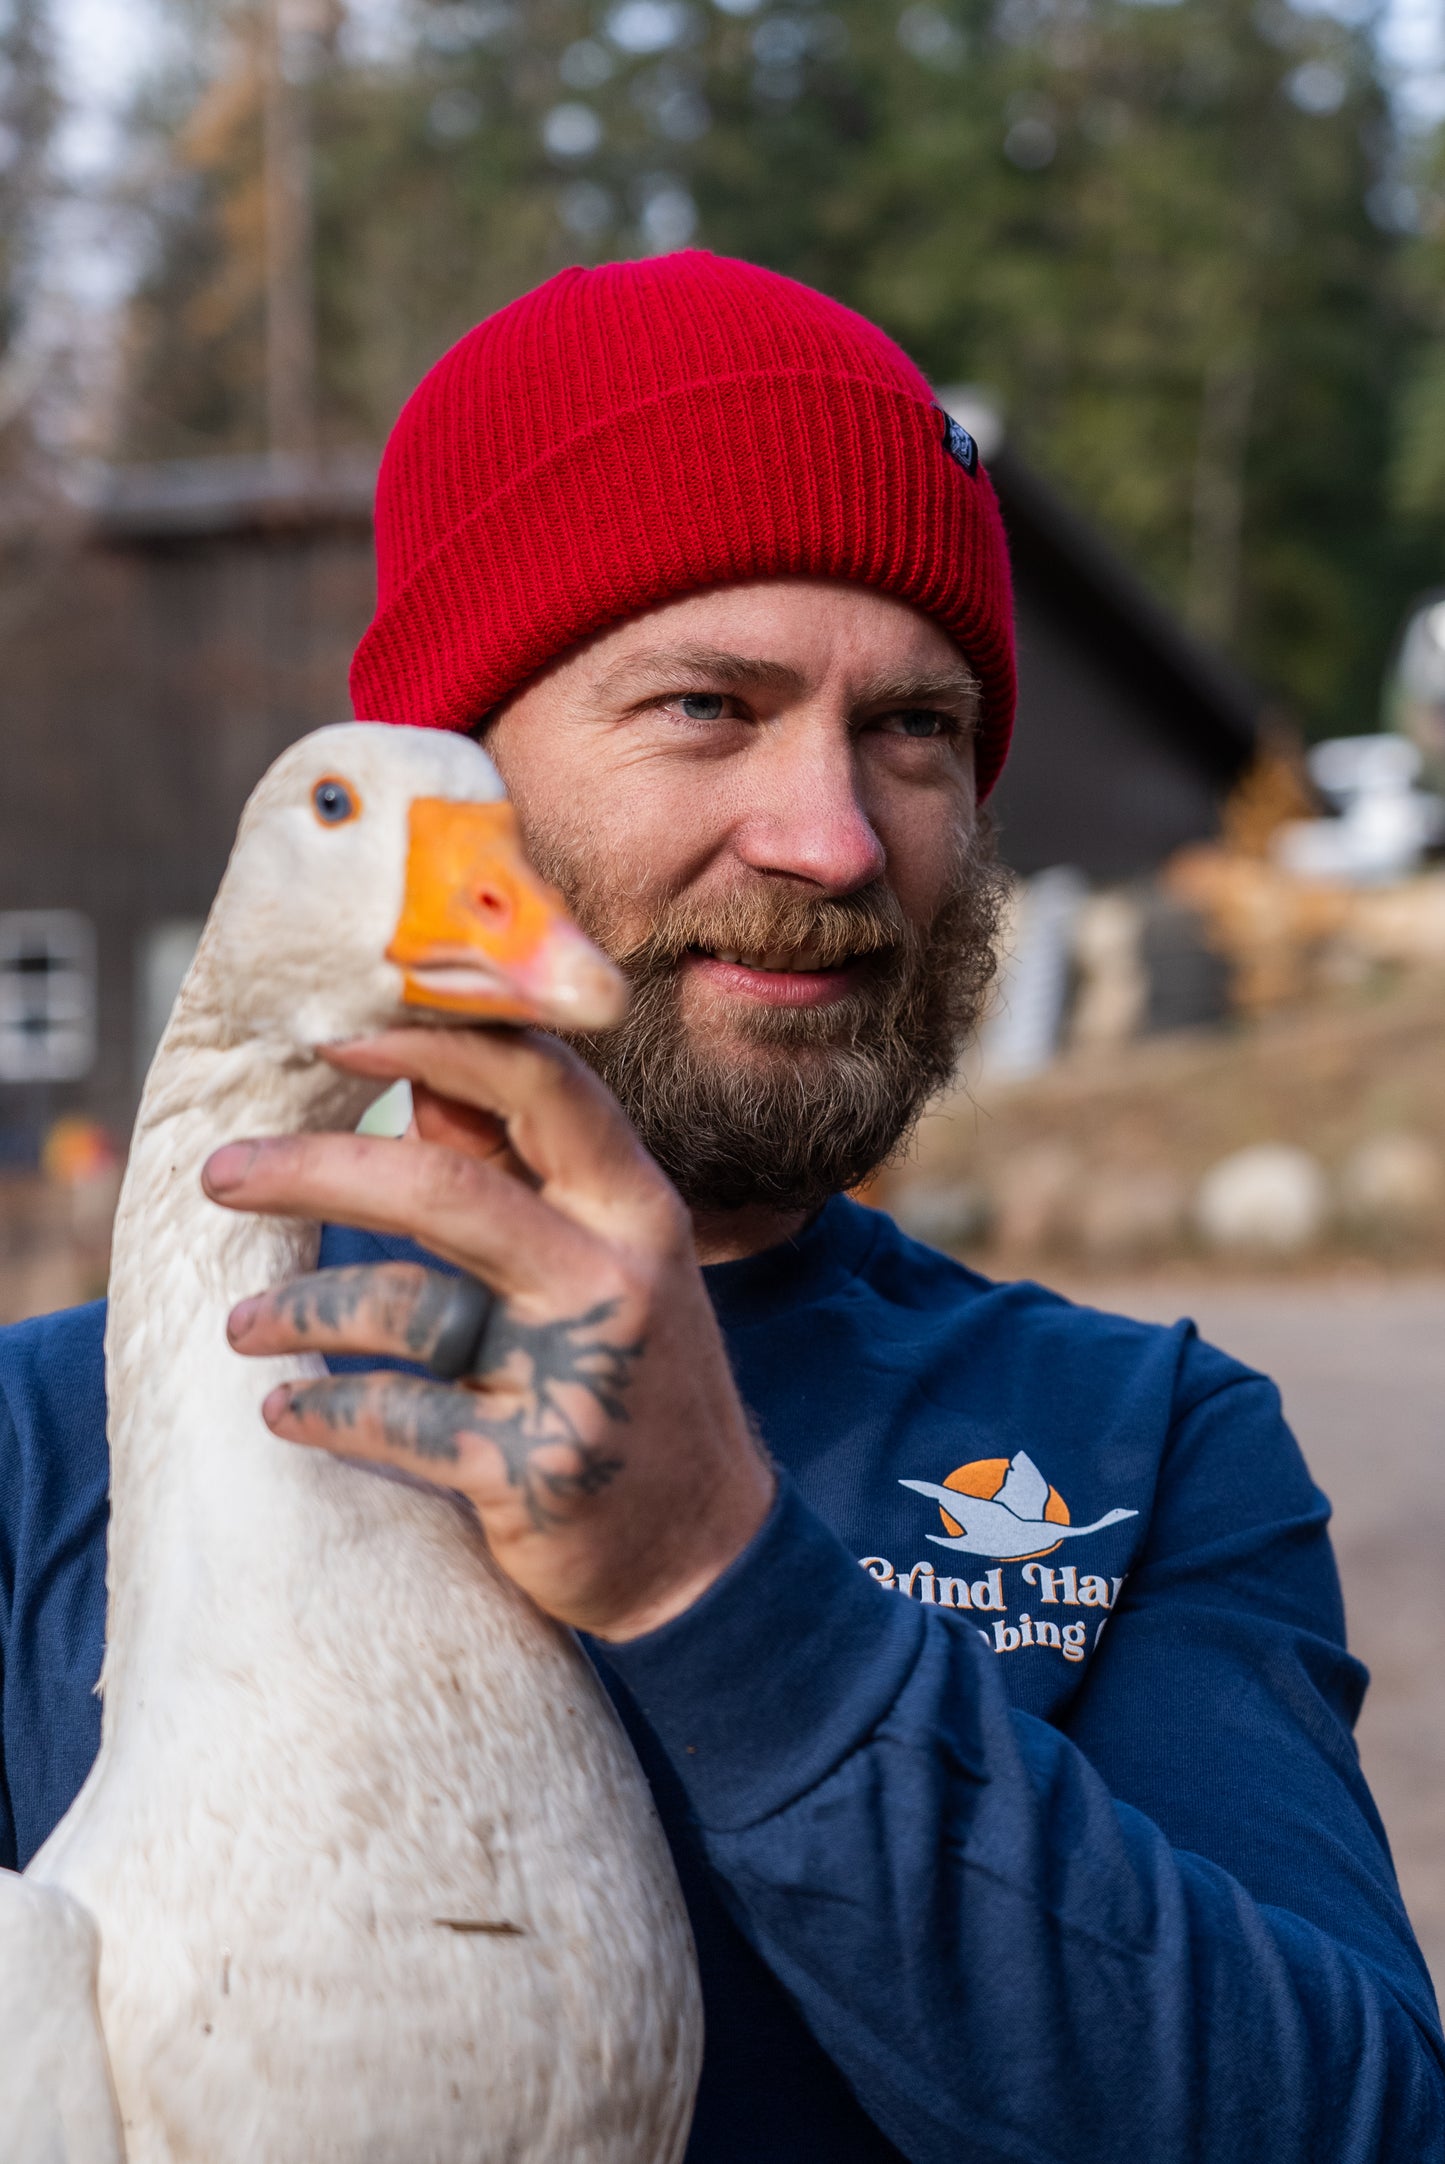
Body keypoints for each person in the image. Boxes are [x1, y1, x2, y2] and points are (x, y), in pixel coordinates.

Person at [2, 251, 1441, 2163]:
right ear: (458, 775)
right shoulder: (34, 1457)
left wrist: (718, 1583)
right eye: (705, 705)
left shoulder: (1149, 1445)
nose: (831, 837)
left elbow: (1355, 2135)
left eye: (914, 729)